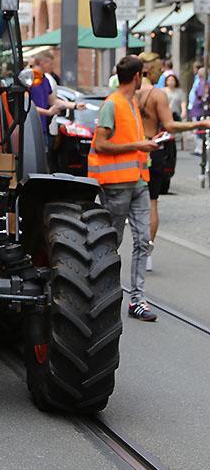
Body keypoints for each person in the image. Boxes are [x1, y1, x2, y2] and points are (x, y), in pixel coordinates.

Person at [87, 55, 160, 321]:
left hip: (138, 182)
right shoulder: (113, 104)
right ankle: (101, 296)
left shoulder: (131, 103)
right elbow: (101, 144)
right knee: (110, 243)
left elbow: (128, 140)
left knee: (143, 241)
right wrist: (139, 146)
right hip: (116, 185)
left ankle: (137, 300)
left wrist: (146, 143)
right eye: (144, 74)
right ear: (137, 76)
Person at [137, 51, 210, 266]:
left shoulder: (126, 93)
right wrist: (199, 124)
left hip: (130, 151)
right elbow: (170, 126)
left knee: (128, 205)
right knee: (151, 204)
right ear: (149, 69)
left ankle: (125, 250)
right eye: (159, 69)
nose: (162, 73)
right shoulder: (157, 94)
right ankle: (147, 253)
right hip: (152, 148)